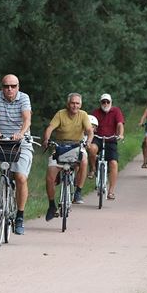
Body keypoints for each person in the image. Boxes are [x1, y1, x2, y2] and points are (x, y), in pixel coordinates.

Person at [0, 74, 32, 235]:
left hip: (19, 141)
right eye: (6, 86)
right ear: (1, 87)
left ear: (18, 86)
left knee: (20, 178)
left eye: (13, 86)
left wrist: (21, 133)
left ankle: (19, 216)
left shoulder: (24, 98)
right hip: (0, 138)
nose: (9, 89)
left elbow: (27, 119)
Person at [42, 93, 93, 221]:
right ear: (68, 103)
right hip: (60, 146)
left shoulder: (83, 115)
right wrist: (47, 139)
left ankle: (78, 192)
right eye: (72, 103)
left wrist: (88, 141)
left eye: (77, 103)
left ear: (80, 105)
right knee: (50, 177)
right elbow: (50, 128)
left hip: (77, 145)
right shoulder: (60, 114)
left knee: (84, 160)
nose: (75, 106)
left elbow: (89, 130)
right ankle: (52, 205)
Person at [90, 93, 125, 200]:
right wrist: (91, 130)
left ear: (111, 102)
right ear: (100, 103)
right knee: (92, 148)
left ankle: (111, 191)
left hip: (111, 139)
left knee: (114, 163)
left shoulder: (116, 111)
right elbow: (90, 124)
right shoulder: (95, 112)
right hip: (97, 138)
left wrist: (120, 134)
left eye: (107, 102)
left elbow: (120, 124)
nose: (105, 104)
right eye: (103, 102)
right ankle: (92, 168)